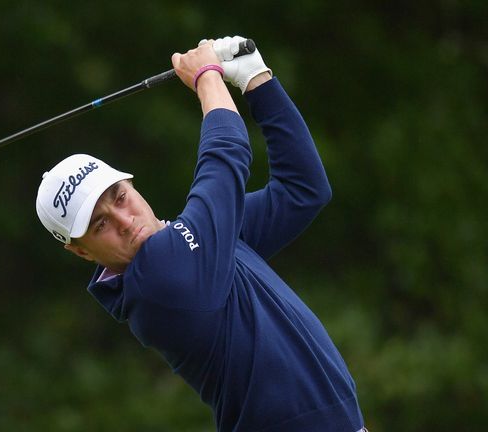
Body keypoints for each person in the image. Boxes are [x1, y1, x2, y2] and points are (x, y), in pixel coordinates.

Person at [35, 36, 366, 432]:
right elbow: (226, 155)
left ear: (133, 185)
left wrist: (257, 79)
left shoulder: (197, 243)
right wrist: (207, 76)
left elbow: (303, 190)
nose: (124, 220)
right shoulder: (158, 278)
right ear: (81, 252)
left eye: (120, 197)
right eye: (100, 224)